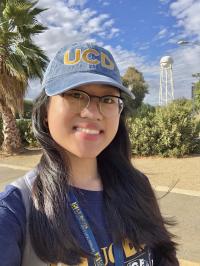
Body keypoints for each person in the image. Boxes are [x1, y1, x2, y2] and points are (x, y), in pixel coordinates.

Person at [0, 42, 179, 266]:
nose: (92, 113)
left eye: (108, 99)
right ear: (46, 110)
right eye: (75, 94)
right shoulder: (15, 211)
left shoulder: (138, 185)